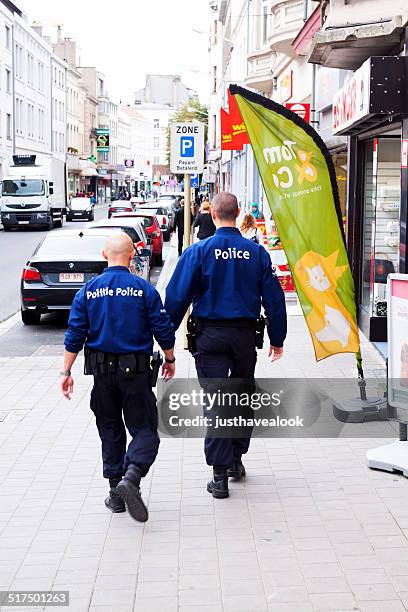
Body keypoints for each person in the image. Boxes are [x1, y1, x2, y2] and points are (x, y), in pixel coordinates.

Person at [165, 192, 287, 499]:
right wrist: (278, 338)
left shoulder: (198, 251)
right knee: (243, 397)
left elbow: (176, 296)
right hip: (244, 337)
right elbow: (274, 298)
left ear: (214, 215)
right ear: (237, 214)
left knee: (218, 401)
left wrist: (166, 340)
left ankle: (219, 475)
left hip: (209, 336)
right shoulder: (256, 253)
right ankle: (235, 459)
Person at [61, 233, 176, 522]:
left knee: (110, 430)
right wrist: (171, 359)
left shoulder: (88, 291)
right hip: (135, 374)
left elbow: (75, 334)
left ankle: (115, 493)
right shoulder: (144, 289)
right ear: (133, 254)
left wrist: (66, 372)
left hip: (102, 375)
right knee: (145, 430)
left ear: (104, 255)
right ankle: (132, 476)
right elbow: (163, 329)